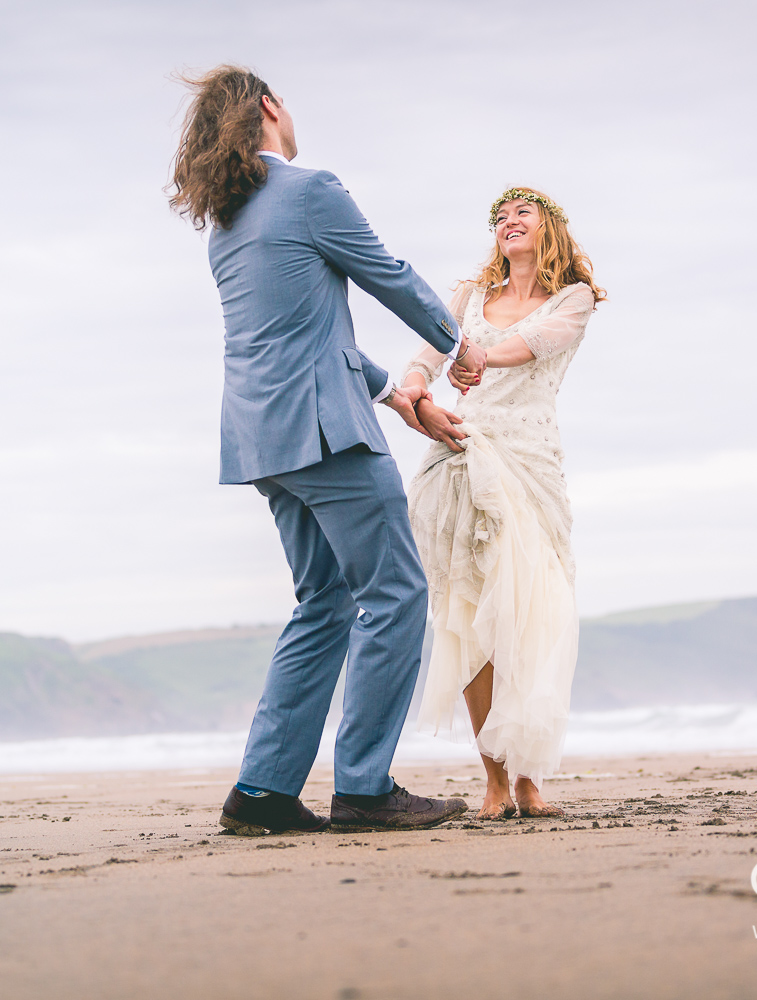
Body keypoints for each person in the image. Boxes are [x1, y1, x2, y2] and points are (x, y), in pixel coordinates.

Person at [167, 66, 484, 834]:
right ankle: (365, 787)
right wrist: (458, 345)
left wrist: (401, 395)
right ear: (270, 107)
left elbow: (299, 335)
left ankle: (264, 790)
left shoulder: (228, 225)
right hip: (322, 431)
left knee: (325, 602)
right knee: (397, 592)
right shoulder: (310, 191)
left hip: (262, 441)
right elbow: (389, 276)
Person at [401, 187, 604, 819]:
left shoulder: (574, 299)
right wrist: (413, 388)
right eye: (500, 217)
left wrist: (479, 354)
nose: (508, 223)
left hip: (531, 468)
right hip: (466, 458)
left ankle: (527, 777)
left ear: (550, 228)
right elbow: (428, 355)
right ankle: (493, 779)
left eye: (523, 212)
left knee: (530, 620)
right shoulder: (465, 297)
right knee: (471, 619)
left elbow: (536, 343)